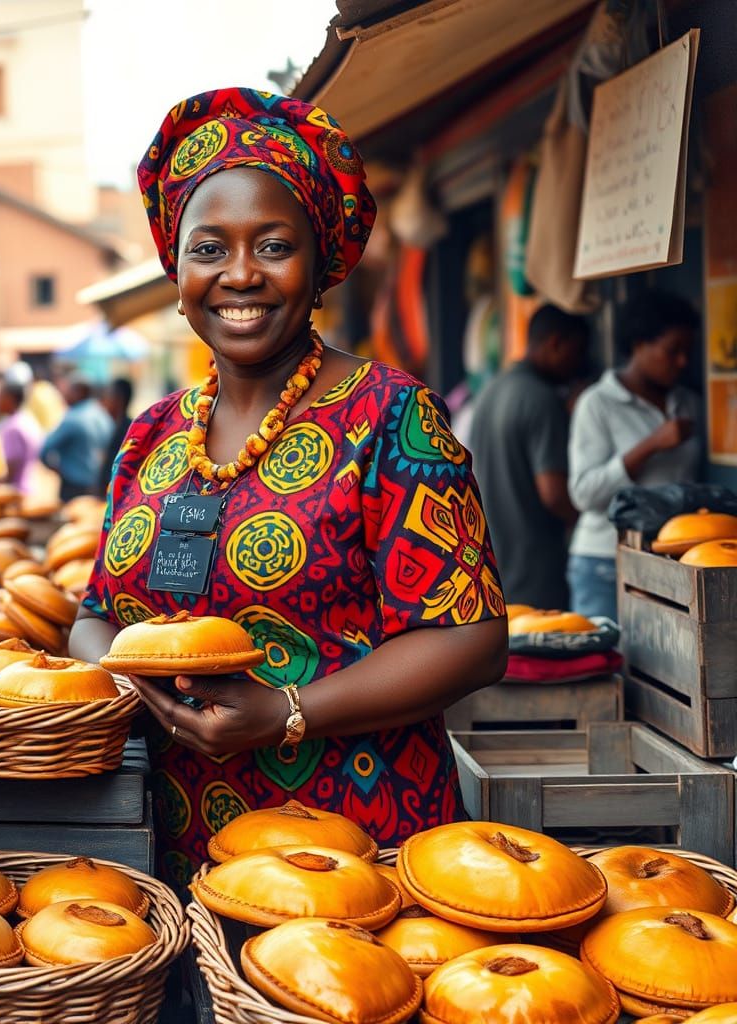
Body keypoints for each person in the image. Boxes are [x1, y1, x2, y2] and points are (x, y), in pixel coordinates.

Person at [68, 88, 507, 887]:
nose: (240, 274)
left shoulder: (389, 416)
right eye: (210, 249)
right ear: (178, 267)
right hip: (175, 847)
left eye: (273, 245)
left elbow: (471, 637)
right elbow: (95, 616)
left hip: (355, 854)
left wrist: (286, 713)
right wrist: (140, 684)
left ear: (320, 260)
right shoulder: (151, 434)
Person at [568, 289, 701, 619]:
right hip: (605, 561)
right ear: (639, 344)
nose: (682, 362)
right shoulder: (597, 403)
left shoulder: (688, 403)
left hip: (669, 561)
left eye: (688, 351)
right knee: (606, 665)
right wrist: (650, 445)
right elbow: (584, 493)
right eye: (673, 351)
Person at [470, 305, 588, 609]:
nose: (578, 365)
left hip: (493, 564)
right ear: (554, 343)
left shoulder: (490, 390)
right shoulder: (540, 398)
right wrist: (589, 523)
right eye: (577, 352)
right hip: (536, 570)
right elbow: (554, 494)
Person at [39, 375, 114, 501]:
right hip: (99, 486)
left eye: (70, 390)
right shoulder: (103, 416)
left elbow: (45, 450)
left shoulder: (72, 418)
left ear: (79, 392)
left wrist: (58, 470)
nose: (65, 395)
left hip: (73, 487)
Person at [0, 379, 43, 494]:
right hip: (32, 486)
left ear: (10, 398)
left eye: (1, 396)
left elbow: (11, 467)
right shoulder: (28, 419)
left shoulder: (13, 427)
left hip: (17, 493)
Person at [99, 376, 135, 492]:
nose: (104, 401)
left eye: (108, 396)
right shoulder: (114, 425)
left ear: (118, 399)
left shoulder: (128, 430)